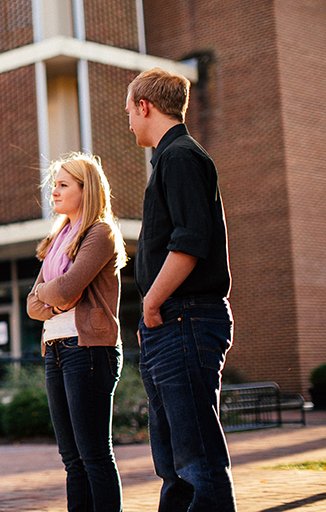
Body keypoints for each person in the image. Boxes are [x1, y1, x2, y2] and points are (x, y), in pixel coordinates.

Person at [126, 67, 236, 511]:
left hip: (184, 317)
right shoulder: (170, 159)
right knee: (175, 462)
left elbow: (190, 241)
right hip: (169, 323)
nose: (128, 121)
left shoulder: (181, 157)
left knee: (196, 460)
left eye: (129, 111)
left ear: (145, 106)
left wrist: (152, 301)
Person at [26, 153, 127, 512]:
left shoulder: (100, 232)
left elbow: (68, 289)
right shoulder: (57, 240)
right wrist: (54, 297)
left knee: (94, 454)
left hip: (87, 349)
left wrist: (52, 294)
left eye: (63, 184)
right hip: (55, 348)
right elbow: (32, 304)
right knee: (71, 458)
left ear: (87, 190)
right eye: (55, 184)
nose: (54, 191)